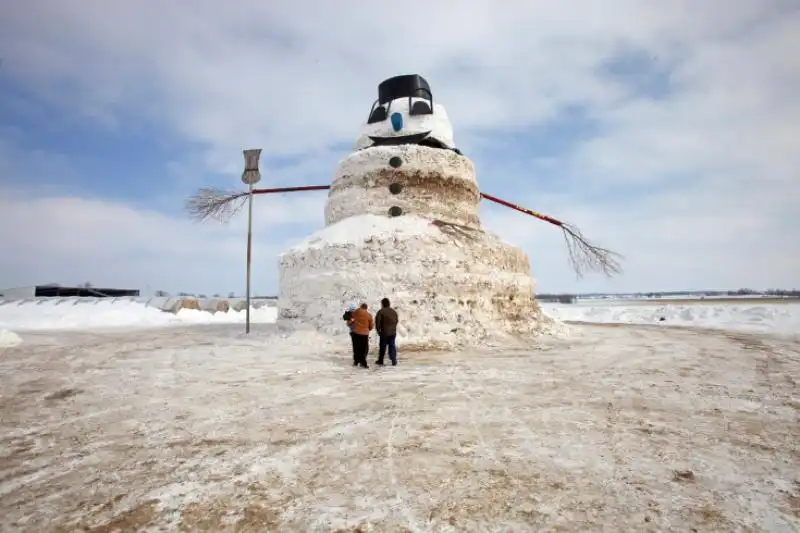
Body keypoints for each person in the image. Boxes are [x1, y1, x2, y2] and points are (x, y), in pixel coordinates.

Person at [348, 303, 374, 368]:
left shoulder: (356, 312)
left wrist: (350, 323)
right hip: (365, 334)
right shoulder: (369, 315)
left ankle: (356, 361)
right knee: (363, 348)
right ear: (366, 308)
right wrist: (368, 329)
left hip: (356, 333)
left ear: (361, 307)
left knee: (356, 347)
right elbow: (371, 326)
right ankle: (363, 363)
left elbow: (350, 318)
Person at [375, 297, 399, 366]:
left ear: (383, 304)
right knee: (392, 346)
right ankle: (394, 360)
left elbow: (378, 322)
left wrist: (378, 331)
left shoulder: (381, 311)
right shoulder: (394, 312)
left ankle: (380, 360)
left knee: (383, 346)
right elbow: (396, 321)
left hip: (384, 332)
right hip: (393, 332)